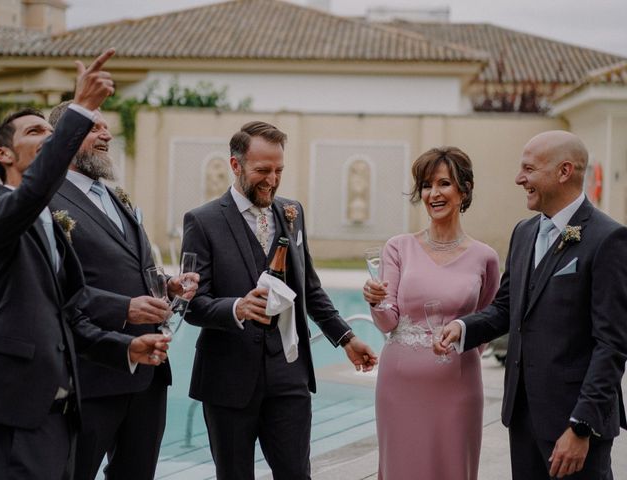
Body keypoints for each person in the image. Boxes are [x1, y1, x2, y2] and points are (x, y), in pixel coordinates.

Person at [0, 49, 170, 479]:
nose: (50, 136)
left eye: (55, 131)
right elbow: (32, 192)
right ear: (3, 155)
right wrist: (83, 107)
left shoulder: (47, 222)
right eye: (37, 131)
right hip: (15, 408)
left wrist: (125, 345)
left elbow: (71, 306)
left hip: (63, 406)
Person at [181, 121, 378, 479]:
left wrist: (346, 338)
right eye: (262, 170)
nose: (272, 180)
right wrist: (236, 308)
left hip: (289, 374)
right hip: (228, 379)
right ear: (236, 165)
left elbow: (311, 289)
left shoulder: (292, 212)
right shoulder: (202, 221)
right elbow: (192, 305)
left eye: (279, 171)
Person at [438, 131, 627, 479]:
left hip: (574, 426)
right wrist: (463, 327)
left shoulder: (608, 239)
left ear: (564, 171)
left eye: (528, 169)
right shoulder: (523, 233)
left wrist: (581, 427)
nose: (518, 178)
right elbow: (506, 308)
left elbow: (611, 345)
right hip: (522, 419)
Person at [46, 101, 199, 480]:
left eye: (106, 128)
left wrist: (169, 287)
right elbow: (54, 288)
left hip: (148, 374)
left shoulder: (116, 197)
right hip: (92, 372)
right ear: (66, 137)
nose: (107, 135)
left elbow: (134, 270)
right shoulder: (47, 201)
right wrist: (122, 309)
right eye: (95, 129)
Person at [363, 146, 500, 479]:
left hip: (459, 387)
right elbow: (388, 320)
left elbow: (490, 323)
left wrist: (456, 354)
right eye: (426, 185)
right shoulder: (398, 247)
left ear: (464, 190)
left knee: (453, 467)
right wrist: (375, 301)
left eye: (444, 184)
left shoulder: (485, 258)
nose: (433, 194)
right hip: (400, 385)